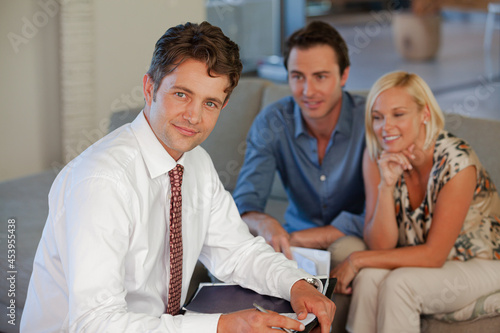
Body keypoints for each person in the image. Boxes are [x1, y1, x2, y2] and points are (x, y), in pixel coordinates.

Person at [20, 22, 335, 333]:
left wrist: (297, 283)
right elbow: (95, 322)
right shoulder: (101, 181)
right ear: (149, 88)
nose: (194, 117)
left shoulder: (195, 162)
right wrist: (222, 326)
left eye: (209, 103)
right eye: (182, 94)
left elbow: (237, 251)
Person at [330, 71, 500, 332]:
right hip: (431, 261)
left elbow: (433, 256)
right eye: (377, 117)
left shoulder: (457, 162)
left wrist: (356, 259)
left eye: (398, 114)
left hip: (483, 261)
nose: (385, 127)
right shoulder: (376, 156)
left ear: (425, 114)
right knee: (370, 278)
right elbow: (380, 245)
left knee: (400, 285)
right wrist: (386, 187)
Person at [232, 21, 366, 260]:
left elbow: (387, 211)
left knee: (347, 252)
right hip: (294, 236)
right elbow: (245, 202)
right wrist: (264, 223)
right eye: (298, 77)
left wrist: (316, 236)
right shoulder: (272, 122)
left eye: (320, 77)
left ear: (344, 75)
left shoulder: (371, 121)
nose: (308, 91)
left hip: (352, 237)